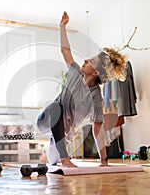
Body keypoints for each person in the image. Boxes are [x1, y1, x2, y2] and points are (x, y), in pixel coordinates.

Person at [37, 11, 127, 168]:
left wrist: (104, 162)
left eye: (91, 61)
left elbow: (97, 128)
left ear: (96, 72)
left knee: (52, 163)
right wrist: (62, 27)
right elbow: (65, 51)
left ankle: (51, 152)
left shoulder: (95, 97)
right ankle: (64, 159)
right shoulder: (75, 73)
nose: (85, 60)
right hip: (46, 120)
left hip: (61, 137)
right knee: (55, 106)